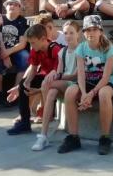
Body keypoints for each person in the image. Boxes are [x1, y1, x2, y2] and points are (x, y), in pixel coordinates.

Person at [58, 15, 113, 155]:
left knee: (104, 93)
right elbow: (81, 74)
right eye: (87, 30)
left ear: (101, 31)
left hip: (109, 81)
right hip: (89, 80)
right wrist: (83, 93)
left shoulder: (110, 49)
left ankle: (105, 138)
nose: (91, 33)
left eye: (94, 29)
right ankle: (73, 137)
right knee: (70, 92)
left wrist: (91, 94)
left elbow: (106, 77)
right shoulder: (81, 49)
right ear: (83, 33)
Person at [7, 24, 64, 136]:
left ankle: (49, 115)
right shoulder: (36, 50)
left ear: (43, 39)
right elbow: (33, 69)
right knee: (23, 84)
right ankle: (24, 122)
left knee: (43, 82)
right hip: (45, 77)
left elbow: (59, 71)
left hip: (58, 78)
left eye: (33, 42)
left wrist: (37, 90)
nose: (31, 45)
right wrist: (26, 83)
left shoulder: (54, 49)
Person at [32, 20, 81, 151]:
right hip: (63, 83)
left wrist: (57, 77)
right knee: (52, 91)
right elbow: (60, 70)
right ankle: (43, 135)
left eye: (72, 33)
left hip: (76, 84)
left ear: (78, 34)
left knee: (47, 84)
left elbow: (76, 75)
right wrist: (56, 74)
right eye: (66, 33)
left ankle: (47, 110)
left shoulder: (82, 50)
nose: (68, 36)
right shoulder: (62, 52)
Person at [0, 0, 29, 104]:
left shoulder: (22, 21)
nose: (12, 6)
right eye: (10, 4)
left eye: (15, 4)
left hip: (15, 51)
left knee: (25, 57)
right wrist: (4, 54)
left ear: (19, 8)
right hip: (0, 50)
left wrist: (7, 53)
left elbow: (22, 43)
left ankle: (15, 93)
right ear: (5, 7)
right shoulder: (0, 19)